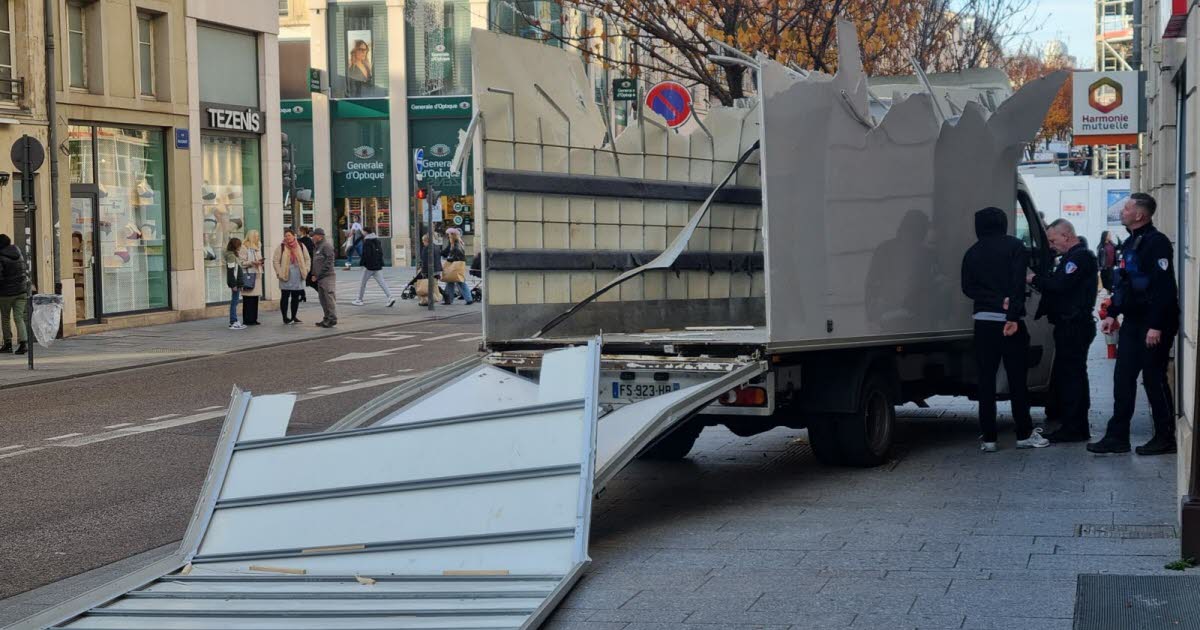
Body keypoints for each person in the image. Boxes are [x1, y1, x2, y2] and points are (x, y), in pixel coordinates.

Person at [1089, 193, 1180, 456]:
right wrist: (1112, 313)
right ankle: (1117, 437)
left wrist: (1156, 325)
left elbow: (1164, 288)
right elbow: (1126, 285)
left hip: (1154, 322)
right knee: (1123, 378)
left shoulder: (1156, 242)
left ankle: (1165, 437)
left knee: (1153, 378)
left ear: (1140, 215)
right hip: (1134, 321)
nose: (1123, 210)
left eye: (1127, 207)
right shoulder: (1131, 242)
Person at [961, 206, 1049, 452]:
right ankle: (1023, 434)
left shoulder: (972, 253)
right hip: (1010, 323)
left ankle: (989, 438)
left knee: (986, 380)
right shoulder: (1014, 247)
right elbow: (1017, 283)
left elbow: (967, 288)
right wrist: (1010, 312)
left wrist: (991, 299)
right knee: (1017, 380)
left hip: (983, 322)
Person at [1028, 219, 1098, 443]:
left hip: (1074, 326)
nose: (1050, 245)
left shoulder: (1079, 258)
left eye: (1053, 240)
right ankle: (1073, 424)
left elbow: (1060, 285)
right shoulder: (1072, 257)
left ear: (1066, 236)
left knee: (1072, 377)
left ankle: (1075, 427)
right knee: (1069, 376)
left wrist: (1033, 278)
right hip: (1069, 325)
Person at [274, 228, 311, 324]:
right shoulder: (281, 247)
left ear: (294, 235)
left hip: (298, 274)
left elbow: (307, 259)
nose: (287, 237)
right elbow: (276, 261)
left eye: (289, 235)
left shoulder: (301, 245)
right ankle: (285, 317)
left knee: (295, 296)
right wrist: (279, 272)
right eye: (286, 236)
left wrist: (306, 269)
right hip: (285, 274)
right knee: (285, 296)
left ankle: (294, 316)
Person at [0, 234, 30, 354]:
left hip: (6, 293)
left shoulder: (0, 256)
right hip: (21, 291)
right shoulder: (18, 254)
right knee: (19, 318)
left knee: (6, 318)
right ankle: (23, 344)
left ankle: (8, 344)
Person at [353, 227, 395, 307]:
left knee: (362, 283)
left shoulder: (367, 242)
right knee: (382, 283)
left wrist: (363, 264)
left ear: (365, 232)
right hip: (377, 266)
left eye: (363, 232)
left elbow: (366, 254)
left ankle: (359, 300)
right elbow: (381, 253)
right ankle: (390, 297)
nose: (362, 233)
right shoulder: (377, 240)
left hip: (369, 267)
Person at [310, 227, 338, 328]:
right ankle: (326, 318)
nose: (312, 237)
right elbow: (315, 262)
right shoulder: (316, 247)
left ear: (320, 236)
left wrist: (320, 274)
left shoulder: (326, 246)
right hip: (320, 277)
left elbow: (329, 261)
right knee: (322, 299)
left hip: (327, 276)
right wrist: (314, 274)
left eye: (314, 235)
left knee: (328, 298)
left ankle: (332, 319)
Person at [440, 228, 474, 305]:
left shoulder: (456, 244)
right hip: (458, 264)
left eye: (449, 235)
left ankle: (468, 299)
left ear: (453, 236)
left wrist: (449, 259)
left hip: (456, 265)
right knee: (451, 281)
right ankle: (450, 300)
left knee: (459, 281)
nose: (448, 237)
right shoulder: (456, 243)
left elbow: (457, 255)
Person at [239, 230, 265, 326]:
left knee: (255, 299)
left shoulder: (258, 246)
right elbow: (241, 263)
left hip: (257, 275)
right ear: (251, 236)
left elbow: (258, 258)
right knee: (248, 299)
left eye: (258, 236)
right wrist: (252, 263)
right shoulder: (244, 246)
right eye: (256, 236)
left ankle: (254, 319)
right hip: (249, 275)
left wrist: (261, 262)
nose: (258, 238)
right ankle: (247, 319)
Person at [224, 237, 246, 330]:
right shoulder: (231, 256)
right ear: (235, 246)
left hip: (237, 282)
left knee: (235, 301)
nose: (240, 247)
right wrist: (233, 284)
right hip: (235, 283)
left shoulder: (234, 255)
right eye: (239, 245)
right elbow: (231, 271)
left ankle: (234, 320)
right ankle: (233, 321)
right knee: (234, 302)